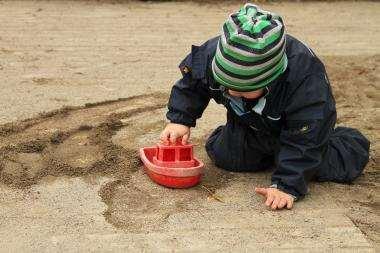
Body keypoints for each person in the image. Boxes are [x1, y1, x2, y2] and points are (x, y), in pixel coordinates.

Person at [160, 3, 370, 210]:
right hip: (251, 124)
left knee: (319, 164)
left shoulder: (305, 78)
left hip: (303, 131)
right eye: (226, 85)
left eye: (243, 89)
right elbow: (192, 84)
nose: (232, 93)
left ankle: (346, 145)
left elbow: (308, 135)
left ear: (270, 78)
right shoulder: (214, 55)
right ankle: (247, 140)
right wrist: (180, 119)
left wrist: (286, 186)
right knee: (227, 157)